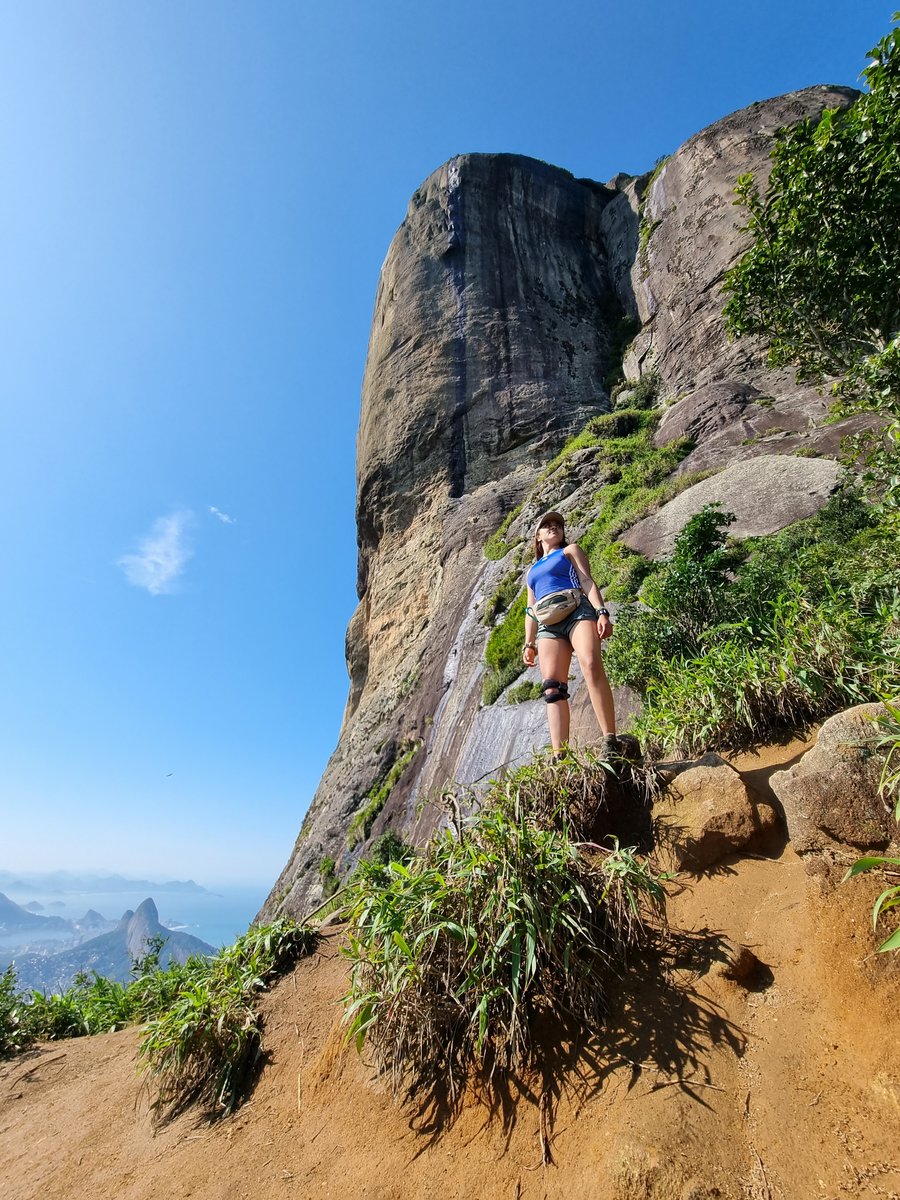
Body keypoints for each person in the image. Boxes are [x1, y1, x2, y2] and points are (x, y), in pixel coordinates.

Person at [522, 511, 617, 755]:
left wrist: (601, 612)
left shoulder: (569, 551)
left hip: (577, 610)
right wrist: (529, 643)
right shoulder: (531, 572)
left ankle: (610, 740)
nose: (554, 527)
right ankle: (560, 756)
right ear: (538, 536)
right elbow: (531, 609)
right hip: (548, 625)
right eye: (547, 525)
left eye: (558, 525)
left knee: (591, 664)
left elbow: (587, 581)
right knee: (552, 688)